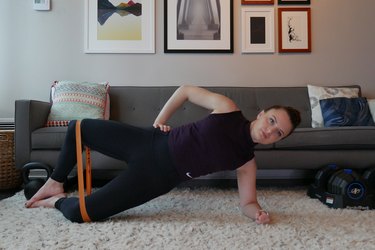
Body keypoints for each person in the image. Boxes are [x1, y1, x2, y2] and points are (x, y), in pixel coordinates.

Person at [25, 85, 301, 224]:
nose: (271, 131)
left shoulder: (246, 162)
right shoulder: (228, 109)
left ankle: (57, 201)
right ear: (263, 113)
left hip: (155, 179)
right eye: (273, 121)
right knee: (79, 127)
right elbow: (186, 90)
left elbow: (247, 203)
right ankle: (56, 181)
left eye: (279, 133)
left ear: (278, 141)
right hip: (150, 141)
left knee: (80, 213)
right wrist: (159, 121)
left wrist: (258, 214)